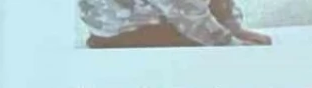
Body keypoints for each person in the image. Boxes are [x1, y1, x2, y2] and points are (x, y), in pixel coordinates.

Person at [79, 0, 273, 48]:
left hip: (163, 19)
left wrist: (234, 28)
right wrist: (230, 44)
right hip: (125, 35)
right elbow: (187, 13)